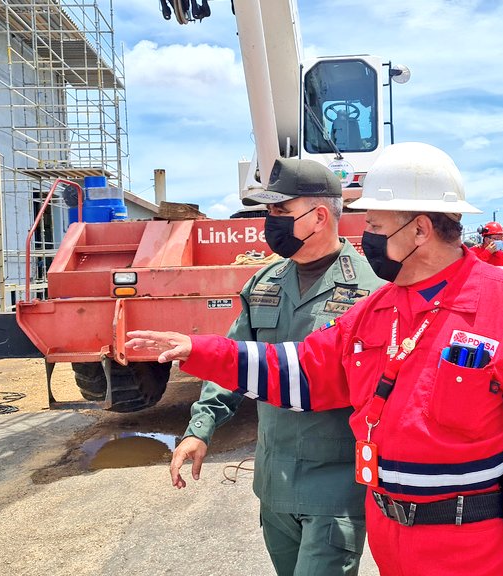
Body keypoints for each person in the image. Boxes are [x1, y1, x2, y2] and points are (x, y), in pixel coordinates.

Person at [129, 142, 503, 575]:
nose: (364, 236)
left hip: (473, 549)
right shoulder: (377, 310)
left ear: (419, 229)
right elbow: (303, 370)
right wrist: (200, 350)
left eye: (374, 224)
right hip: (392, 543)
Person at [171, 158, 384, 576]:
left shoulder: (371, 290)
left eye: (281, 211)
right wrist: (200, 428)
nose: (270, 222)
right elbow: (235, 360)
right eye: (269, 211)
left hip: (335, 487)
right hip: (274, 484)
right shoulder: (264, 282)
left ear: (319, 216)